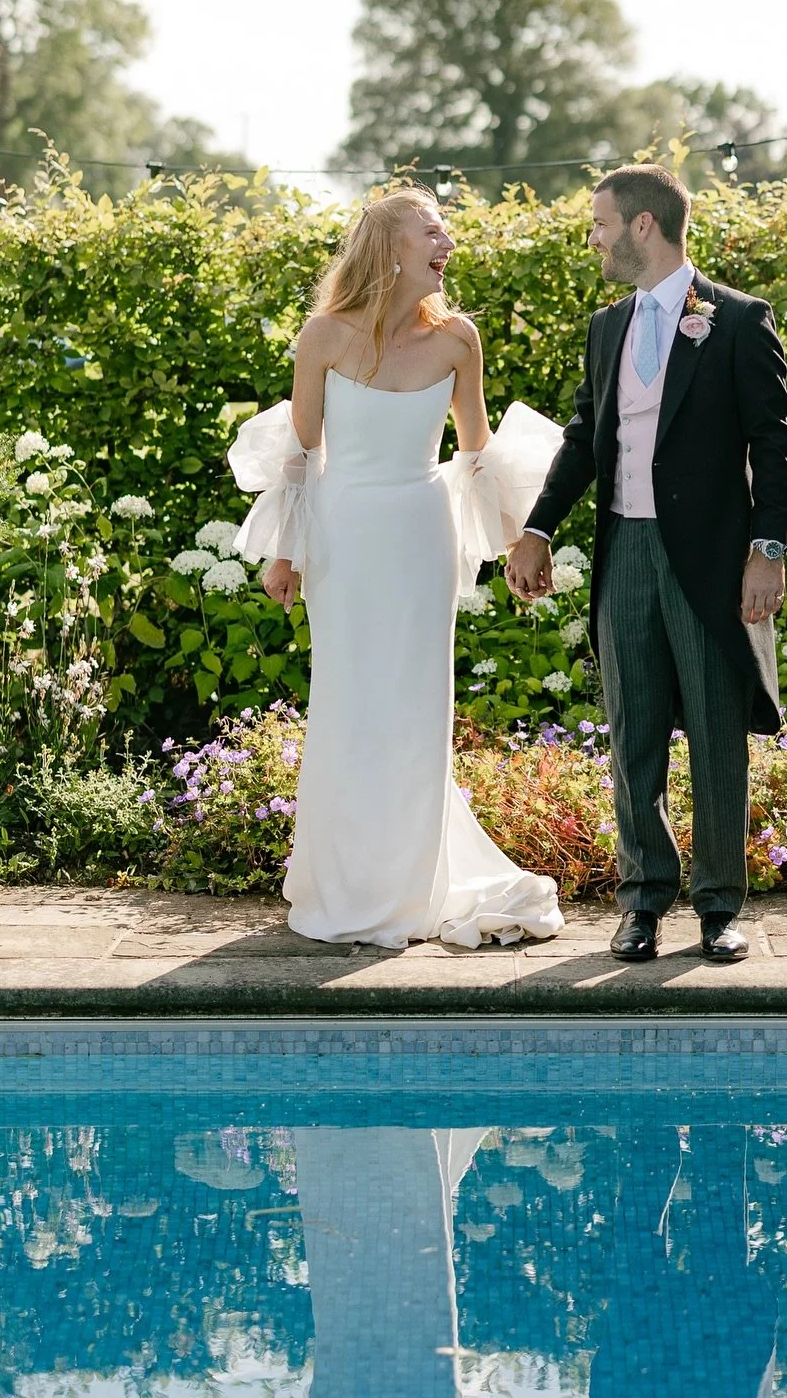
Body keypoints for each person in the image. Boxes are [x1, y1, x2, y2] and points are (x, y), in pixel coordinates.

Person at [227, 187, 564, 950]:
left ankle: (413, 888)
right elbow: (301, 456)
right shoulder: (322, 336)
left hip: (421, 537)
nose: (447, 243)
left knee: (415, 709)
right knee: (349, 703)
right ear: (389, 248)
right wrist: (286, 553)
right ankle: (345, 883)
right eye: (432, 230)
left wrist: (518, 543)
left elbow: (476, 453)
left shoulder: (458, 339)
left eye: (445, 231)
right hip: (345, 539)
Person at [507, 165, 787, 965]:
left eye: (600, 223)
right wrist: (537, 527)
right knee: (633, 732)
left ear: (642, 226)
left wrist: (766, 551)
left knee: (713, 734)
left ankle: (717, 908)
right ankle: (642, 901)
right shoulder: (608, 327)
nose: (593, 238)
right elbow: (583, 439)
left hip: (707, 559)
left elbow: (773, 447)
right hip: (624, 551)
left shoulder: (738, 320)